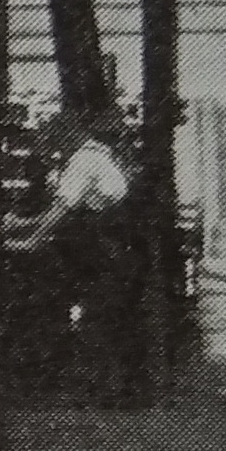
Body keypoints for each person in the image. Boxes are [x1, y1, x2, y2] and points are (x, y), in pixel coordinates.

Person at [27, 109, 139, 399]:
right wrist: (26, 224)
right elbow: (61, 208)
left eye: (55, 140)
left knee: (96, 318)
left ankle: (103, 390)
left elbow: (63, 208)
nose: (53, 148)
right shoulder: (99, 157)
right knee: (104, 317)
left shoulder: (83, 161)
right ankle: (108, 387)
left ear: (68, 136)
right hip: (113, 248)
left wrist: (33, 240)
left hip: (105, 249)